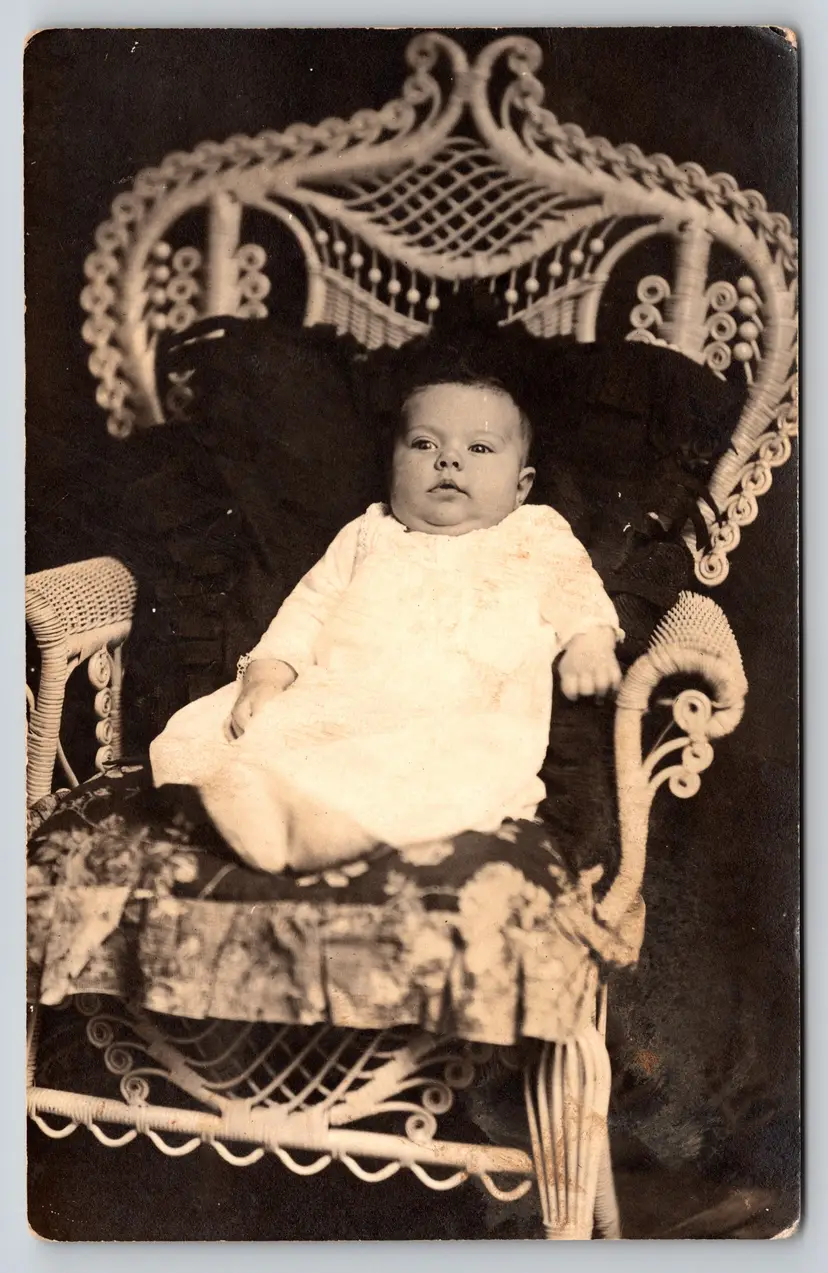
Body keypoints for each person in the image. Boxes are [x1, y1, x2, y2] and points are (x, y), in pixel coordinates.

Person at [149, 374, 623, 873]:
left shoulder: (535, 531)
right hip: (341, 696)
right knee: (245, 735)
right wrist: (269, 674)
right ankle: (256, 816)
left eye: (480, 447)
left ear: (521, 486)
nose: (449, 460)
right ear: (392, 468)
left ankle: (320, 834)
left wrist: (589, 643)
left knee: (417, 775)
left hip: (460, 712)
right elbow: (307, 608)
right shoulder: (368, 533)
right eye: (424, 444)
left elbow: (576, 587)